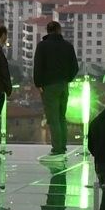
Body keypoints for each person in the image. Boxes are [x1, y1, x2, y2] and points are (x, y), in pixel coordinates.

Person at [31, 19, 79, 157]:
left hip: (49, 87)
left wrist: (39, 84)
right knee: (61, 117)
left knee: (53, 119)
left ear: (48, 31)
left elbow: (38, 67)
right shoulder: (68, 46)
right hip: (64, 85)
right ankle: (62, 146)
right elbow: (75, 67)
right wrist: (67, 79)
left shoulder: (42, 46)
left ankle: (57, 149)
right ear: (59, 30)